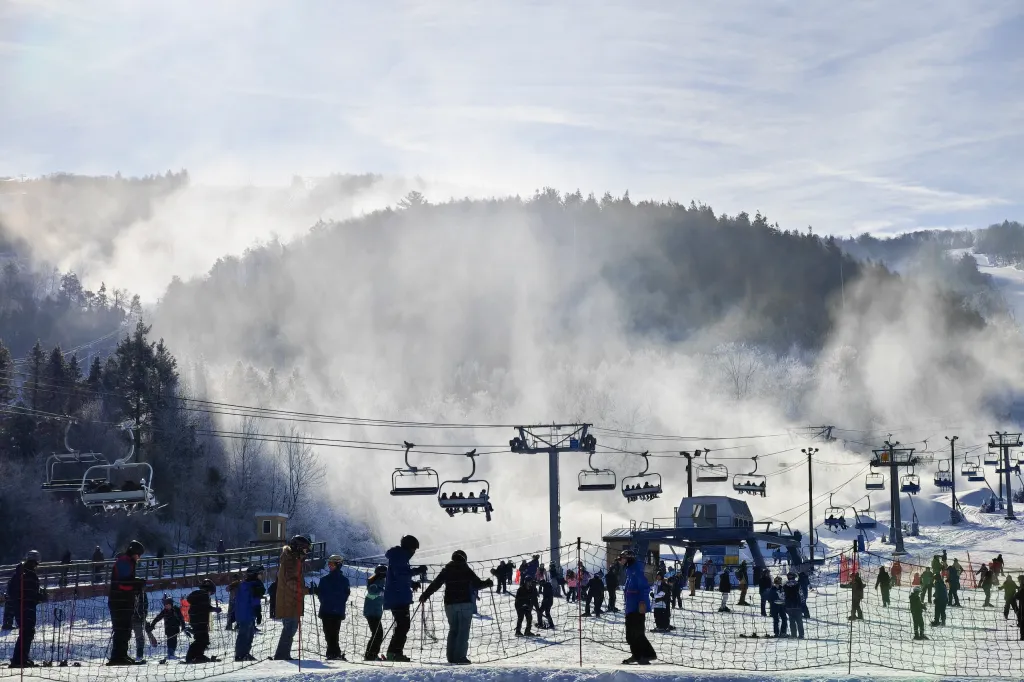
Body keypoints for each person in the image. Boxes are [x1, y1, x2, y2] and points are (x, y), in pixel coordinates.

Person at [419, 549, 492, 664]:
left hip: (450, 604)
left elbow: (436, 584)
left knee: (453, 629)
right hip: (465, 603)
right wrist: (488, 583)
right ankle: (460, 657)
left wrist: (425, 595)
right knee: (463, 631)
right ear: (464, 559)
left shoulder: (447, 569)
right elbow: (477, 584)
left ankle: (451, 657)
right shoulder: (465, 569)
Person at [383, 535, 427, 662]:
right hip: (398, 596)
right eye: (414, 549)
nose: (414, 552)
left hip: (398, 595)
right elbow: (401, 574)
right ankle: (394, 653)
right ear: (409, 548)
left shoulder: (399, 556)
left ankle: (395, 652)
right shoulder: (399, 557)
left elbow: (399, 576)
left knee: (402, 625)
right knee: (403, 625)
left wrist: (411, 583)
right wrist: (417, 571)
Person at [108, 540, 147, 665]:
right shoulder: (125, 561)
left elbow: (127, 581)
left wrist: (136, 583)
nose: (139, 557)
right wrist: (137, 584)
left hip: (123, 600)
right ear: (134, 552)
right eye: (138, 554)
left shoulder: (128, 561)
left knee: (126, 628)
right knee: (121, 628)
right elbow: (124, 583)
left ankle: (122, 654)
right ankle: (117, 656)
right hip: (119, 601)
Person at [274, 534, 311, 661]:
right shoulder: (291, 562)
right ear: (298, 548)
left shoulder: (292, 560)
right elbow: (292, 582)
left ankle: (283, 654)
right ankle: (282, 655)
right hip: (289, 601)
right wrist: (307, 590)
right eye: (305, 550)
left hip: (290, 600)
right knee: (290, 628)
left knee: (290, 628)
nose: (306, 553)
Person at [7, 550, 45, 668]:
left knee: (24, 632)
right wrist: (41, 597)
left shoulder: (18, 573)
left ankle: (19, 658)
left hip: (18, 606)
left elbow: (13, 591)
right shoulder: (30, 575)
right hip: (27, 607)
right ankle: (21, 659)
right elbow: (30, 593)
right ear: (35, 562)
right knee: (27, 632)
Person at [620, 550, 656, 664]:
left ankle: (647, 655)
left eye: (622, 558)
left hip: (637, 608)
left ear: (628, 559)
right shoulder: (630, 572)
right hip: (630, 608)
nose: (620, 561)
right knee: (630, 636)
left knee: (637, 633)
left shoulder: (636, 572)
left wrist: (642, 602)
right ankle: (637, 655)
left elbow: (645, 588)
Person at [314, 554, 351, 661]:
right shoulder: (343, 580)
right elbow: (345, 595)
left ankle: (332, 653)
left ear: (338, 565)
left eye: (332, 564)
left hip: (328, 610)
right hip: (336, 611)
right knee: (333, 633)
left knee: (331, 633)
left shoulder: (326, 580)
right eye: (328, 564)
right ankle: (334, 653)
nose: (329, 566)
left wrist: (324, 599)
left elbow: (321, 595)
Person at [184, 579, 221, 663]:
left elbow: (202, 607)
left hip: (194, 620)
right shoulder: (204, 595)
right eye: (211, 593)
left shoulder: (197, 595)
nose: (210, 595)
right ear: (210, 590)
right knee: (202, 639)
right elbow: (205, 607)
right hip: (201, 620)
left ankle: (195, 655)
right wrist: (215, 609)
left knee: (200, 638)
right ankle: (195, 656)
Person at [233, 565, 266, 662]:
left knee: (249, 634)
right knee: (245, 635)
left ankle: (244, 653)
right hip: (247, 613)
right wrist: (258, 613)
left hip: (243, 613)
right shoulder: (254, 585)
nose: (262, 576)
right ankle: (240, 655)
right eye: (260, 574)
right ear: (255, 574)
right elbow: (255, 600)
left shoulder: (245, 584)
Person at [148, 595, 186, 661]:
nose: (166, 606)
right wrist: (152, 625)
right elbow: (158, 618)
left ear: (171, 604)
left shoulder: (176, 609)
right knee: (169, 641)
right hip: (168, 629)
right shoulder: (164, 611)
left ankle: (172, 652)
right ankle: (170, 653)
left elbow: (181, 619)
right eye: (165, 605)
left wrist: (183, 626)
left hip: (175, 628)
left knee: (174, 641)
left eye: (167, 605)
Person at [363, 564, 387, 661]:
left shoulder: (381, 581)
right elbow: (372, 593)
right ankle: (371, 655)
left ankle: (371, 654)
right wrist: (383, 592)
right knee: (378, 633)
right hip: (371, 612)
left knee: (377, 633)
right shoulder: (375, 582)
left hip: (376, 611)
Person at [783, 572, 804, 639]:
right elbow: (801, 595)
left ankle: (793, 634)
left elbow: (783, 596)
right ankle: (801, 635)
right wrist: (803, 603)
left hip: (789, 606)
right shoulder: (798, 584)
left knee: (792, 621)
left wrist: (784, 604)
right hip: (797, 605)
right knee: (799, 621)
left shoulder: (785, 585)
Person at [132, 590, 150, 661]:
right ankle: (122, 654)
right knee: (124, 636)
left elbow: (145, 606)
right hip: (128, 618)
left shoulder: (142, 593)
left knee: (139, 637)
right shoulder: (129, 591)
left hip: (138, 619)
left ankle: (139, 655)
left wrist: (143, 615)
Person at [1011, 575, 1024, 641]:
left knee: (1022, 621)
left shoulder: (1022, 588)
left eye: (1019, 580)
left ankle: (1022, 636)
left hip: (1022, 608)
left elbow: (1017, 596)